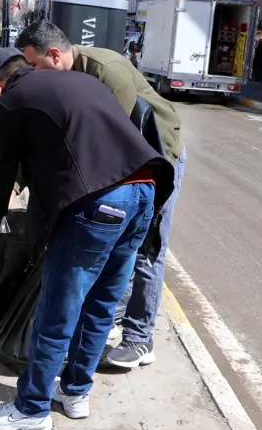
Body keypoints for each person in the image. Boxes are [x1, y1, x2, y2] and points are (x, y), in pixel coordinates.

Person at [0, 48, 173, 430]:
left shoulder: (10, 101)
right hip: (145, 191)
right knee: (101, 304)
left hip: (99, 205)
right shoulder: (79, 80)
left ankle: (32, 409)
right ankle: (75, 393)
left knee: (57, 309)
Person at [15, 20, 185, 368]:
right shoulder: (64, 78)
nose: (32, 73)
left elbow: (113, 143)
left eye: (33, 65)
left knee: (146, 248)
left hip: (157, 155)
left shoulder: (108, 72)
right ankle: (104, 321)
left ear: (55, 55)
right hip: (123, 162)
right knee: (107, 244)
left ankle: (139, 338)